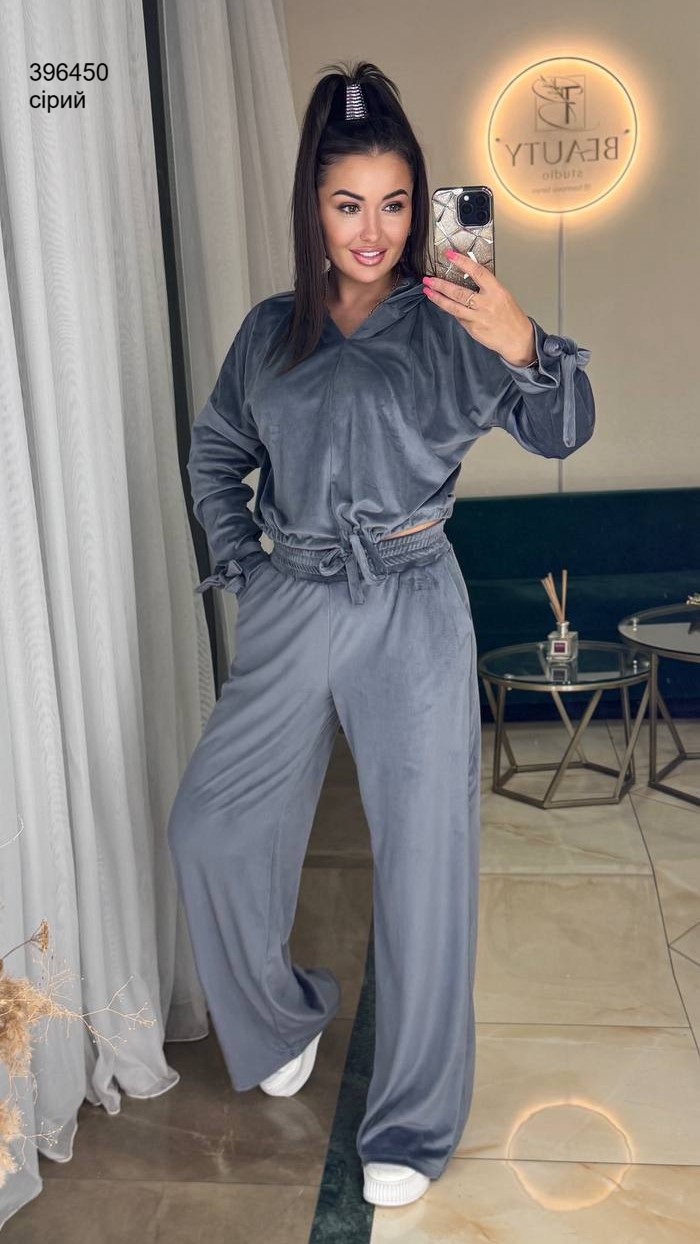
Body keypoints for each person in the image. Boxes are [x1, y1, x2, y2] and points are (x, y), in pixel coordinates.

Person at [166, 60, 595, 1208]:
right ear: (312, 206)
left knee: (422, 862)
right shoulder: (270, 334)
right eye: (348, 203)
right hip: (293, 592)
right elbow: (216, 451)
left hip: (410, 594)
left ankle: (409, 1115)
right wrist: (244, 562)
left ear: (420, 207)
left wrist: (519, 337)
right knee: (209, 826)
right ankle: (279, 1014)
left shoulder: (454, 322)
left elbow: (564, 429)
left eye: (396, 203)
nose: (373, 230)